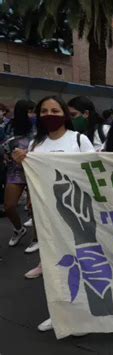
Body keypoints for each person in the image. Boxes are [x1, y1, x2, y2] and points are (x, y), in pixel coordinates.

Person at [12, 95, 95, 333]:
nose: (50, 115)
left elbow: (92, 174)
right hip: (48, 216)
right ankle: (61, 314)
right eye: (45, 111)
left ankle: (85, 315)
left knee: (81, 265)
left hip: (77, 213)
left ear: (65, 115)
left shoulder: (79, 140)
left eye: (55, 110)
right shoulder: (35, 145)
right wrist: (21, 163)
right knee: (54, 267)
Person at [3, 100, 36, 251]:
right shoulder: (9, 126)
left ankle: (37, 238)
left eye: (33, 111)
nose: (32, 114)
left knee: (34, 208)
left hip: (34, 169)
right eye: (29, 111)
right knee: (9, 206)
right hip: (14, 170)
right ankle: (19, 229)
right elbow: (3, 143)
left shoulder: (38, 125)